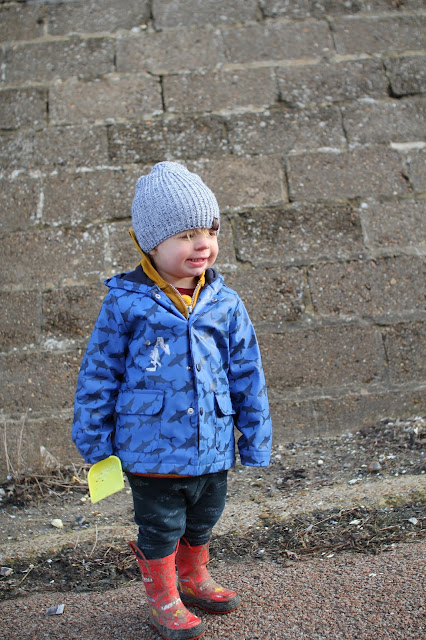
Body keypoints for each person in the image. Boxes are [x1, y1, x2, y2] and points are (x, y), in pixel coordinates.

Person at [72, 161, 272, 640]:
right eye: (185, 235)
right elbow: (99, 373)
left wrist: (255, 435)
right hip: (150, 447)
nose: (202, 244)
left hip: (213, 441)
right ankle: (163, 597)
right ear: (150, 245)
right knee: (160, 524)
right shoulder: (125, 302)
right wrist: (94, 439)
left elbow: (247, 371)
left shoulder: (225, 302)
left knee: (205, 515)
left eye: (210, 231)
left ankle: (193, 576)